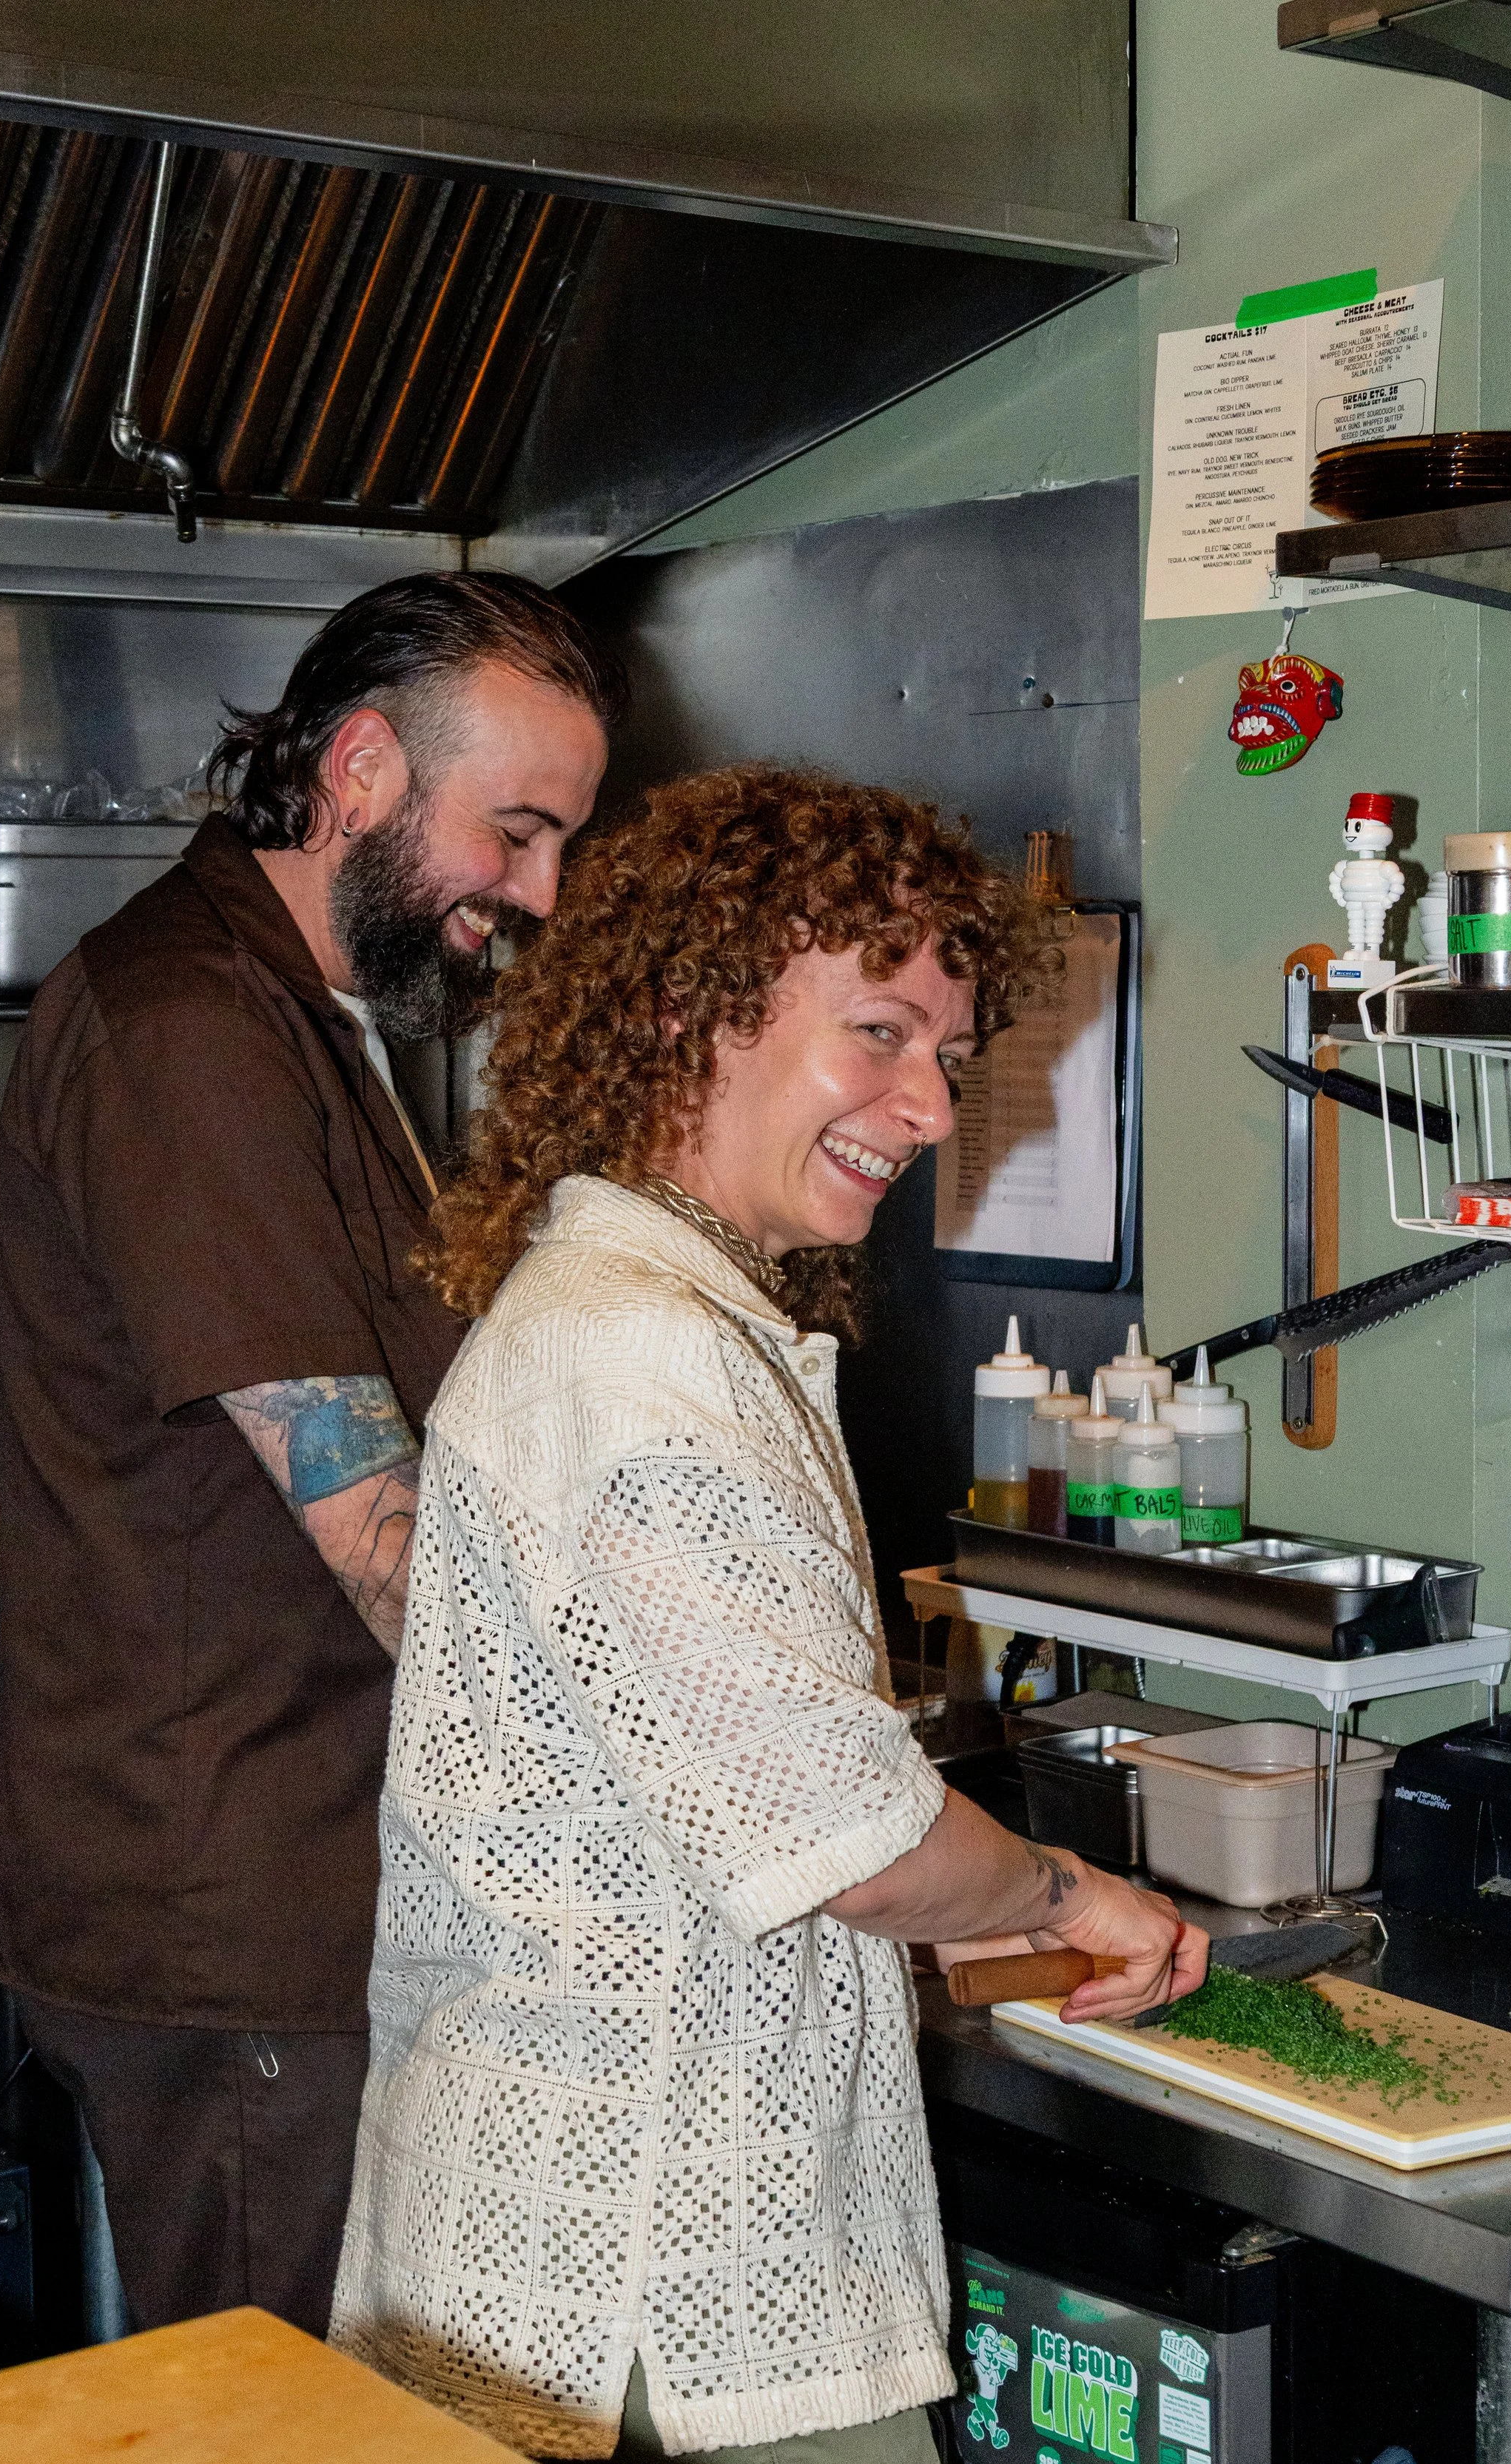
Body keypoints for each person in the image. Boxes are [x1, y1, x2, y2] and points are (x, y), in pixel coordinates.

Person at [330, 767, 1207, 2460]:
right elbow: (847, 1845)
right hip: (658, 2287)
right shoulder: (645, 1358)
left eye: (945, 1055)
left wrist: (960, 1917)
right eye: (876, 1033)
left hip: (562, 2243)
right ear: (687, 1013)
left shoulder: (647, 1313)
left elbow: (692, 1809)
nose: (931, 1104)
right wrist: (1058, 1890)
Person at [0, 573, 625, 2337]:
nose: (537, 894)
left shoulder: (295, 1015)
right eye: (515, 831)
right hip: (238, 1907)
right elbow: (371, 1530)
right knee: (292, 2431)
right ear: (357, 771)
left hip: (314, 1876)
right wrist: (657, 1768)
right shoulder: (187, 1033)